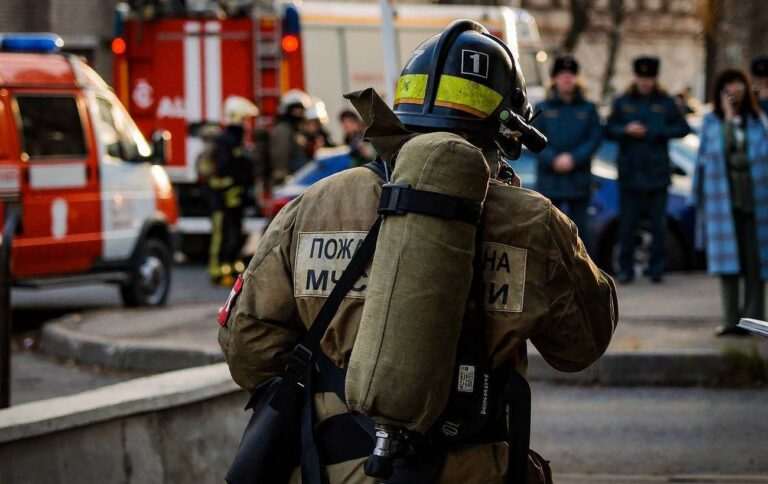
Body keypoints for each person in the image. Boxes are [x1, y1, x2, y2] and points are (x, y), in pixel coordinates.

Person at [219, 20, 617, 484]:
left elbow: (248, 351)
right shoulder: (534, 222)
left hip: (335, 471)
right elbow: (581, 346)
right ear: (507, 126)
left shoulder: (316, 204)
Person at [694, 69, 768, 337]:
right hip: (723, 203)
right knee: (727, 265)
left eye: (737, 84)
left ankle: (756, 320)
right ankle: (730, 320)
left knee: (756, 263)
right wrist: (727, 118)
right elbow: (711, 156)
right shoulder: (712, 122)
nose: (733, 89)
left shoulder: (758, 120)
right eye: (727, 85)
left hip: (757, 202)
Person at [606, 56, 691, 284]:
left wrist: (656, 130)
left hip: (657, 174)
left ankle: (656, 269)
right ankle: (625, 270)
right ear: (636, 77)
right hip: (630, 174)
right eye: (642, 78)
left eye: (649, 78)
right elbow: (608, 129)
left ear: (655, 78)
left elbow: (683, 128)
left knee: (658, 225)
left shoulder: (665, 102)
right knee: (627, 225)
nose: (646, 82)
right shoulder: (623, 101)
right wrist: (626, 130)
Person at [533, 55, 602, 248]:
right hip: (550, 181)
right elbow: (532, 140)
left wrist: (574, 158)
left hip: (578, 181)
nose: (567, 78)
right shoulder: (542, 108)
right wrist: (553, 158)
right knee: (548, 234)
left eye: (571, 74)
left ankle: (584, 277)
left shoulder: (588, 109)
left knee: (581, 236)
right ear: (554, 78)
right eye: (562, 74)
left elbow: (594, 139)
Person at [207, 96, 258, 286]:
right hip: (222, 199)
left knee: (236, 235)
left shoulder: (237, 142)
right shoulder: (224, 141)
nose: (247, 124)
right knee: (220, 236)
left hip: (236, 198)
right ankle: (217, 272)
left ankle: (232, 269)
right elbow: (222, 171)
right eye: (244, 119)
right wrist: (231, 188)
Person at [269, 89, 311, 184]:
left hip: (300, 176)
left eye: (301, 109)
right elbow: (280, 153)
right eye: (296, 109)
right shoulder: (283, 130)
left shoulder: (295, 129)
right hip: (289, 180)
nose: (299, 113)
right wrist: (281, 175)